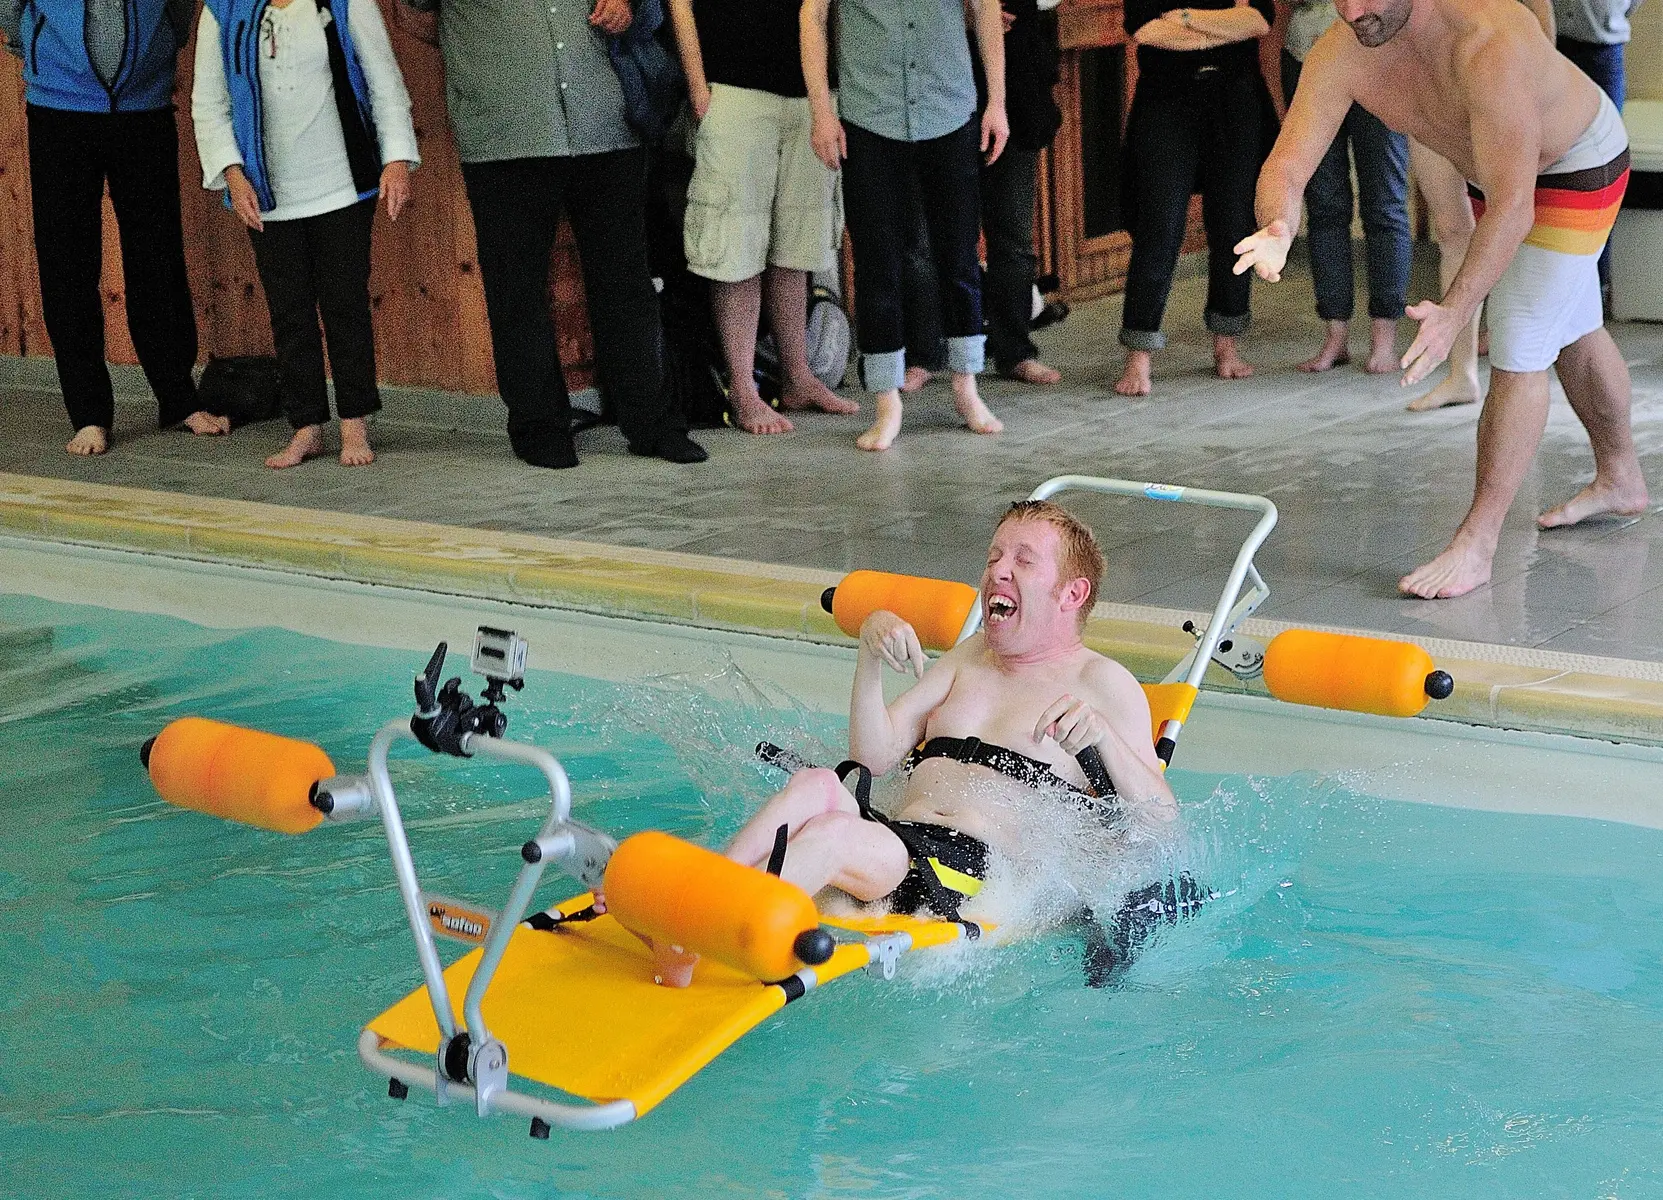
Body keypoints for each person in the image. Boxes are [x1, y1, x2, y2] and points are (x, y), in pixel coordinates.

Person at [647, 499, 1178, 986]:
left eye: (1023, 560)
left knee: (833, 836)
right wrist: (870, 657)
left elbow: (1160, 823)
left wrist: (1104, 740)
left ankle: (700, 938)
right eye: (994, 555)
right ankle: (698, 898)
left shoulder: (1103, 684)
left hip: (966, 873)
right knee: (815, 784)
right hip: (905, 842)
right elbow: (873, 757)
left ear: (1072, 593)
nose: (998, 569)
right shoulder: (969, 659)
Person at [1237, 0, 1649, 599]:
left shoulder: (1488, 43)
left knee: (1521, 340)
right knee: (1572, 327)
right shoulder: (1345, 44)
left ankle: (1478, 544)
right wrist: (1277, 224)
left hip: (1576, 162)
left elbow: (1513, 210)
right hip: (1499, 170)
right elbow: (1288, 166)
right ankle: (1622, 477)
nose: (1352, 12)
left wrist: (1455, 312)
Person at [394, 0, 706, 468]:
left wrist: (627, 6)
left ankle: (654, 424)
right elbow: (413, 14)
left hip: (605, 120)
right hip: (504, 131)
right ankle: (539, 427)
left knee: (627, 283)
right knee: (516, 289)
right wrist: (490, 54)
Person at [192, 0, 420, 469]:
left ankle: (355, 422)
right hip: (269, 194)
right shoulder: (224, 11)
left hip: (341, 186)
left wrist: (396, 158)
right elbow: (208, 105)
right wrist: (232, 173)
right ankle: (306, 426)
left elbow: (385, 82)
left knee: (345, 306)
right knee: (290, 311)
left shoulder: (346, 3)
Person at [0, 0, 229, 456]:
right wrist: (48, 52)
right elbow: (9, 8)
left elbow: (180, 9)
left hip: (145, 106)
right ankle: (88, 414)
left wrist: (157, 50)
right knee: (67, 264)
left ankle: (178, 399)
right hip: (58, 109)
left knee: (158, 256)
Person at [802, 0, 1010, 451]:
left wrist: (998, 101)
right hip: (868, 114)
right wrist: (821, 109)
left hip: (950, 106)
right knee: (878, 264)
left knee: (958, 258)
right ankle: (885, 399)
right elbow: (812, 16)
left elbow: (987, 9)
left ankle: (966, 385)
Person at [665, 0, 860, 435]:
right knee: (735, 249)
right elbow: (680, 4)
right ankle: (742, 389)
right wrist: (698, 88)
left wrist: (826, 100)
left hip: (811, 95)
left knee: (796, 246)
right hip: (733, 91)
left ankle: (798, 377)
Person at [1114, 0, 1277, 397]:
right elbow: (1146, 30)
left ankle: (1227, 342)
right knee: (1159, 226)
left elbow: (1256, 21)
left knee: (1233, 222)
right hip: (1165, 101)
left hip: (1236, 99)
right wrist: (1222, 27)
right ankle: (1139, 353)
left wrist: (1185, 19)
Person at [1406, 0, 1554, 413]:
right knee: (1453, 231)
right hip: (1430, 96)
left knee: (1517, 225)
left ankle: (1530, 362)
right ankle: (1462, 374)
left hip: (1494, 95)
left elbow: (1543, 31)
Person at [1274, 0, 1410, 376]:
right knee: (1325, 205)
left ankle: (1384, 338)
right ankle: (1335, 335)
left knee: (1384, 204)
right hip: (1306, 58)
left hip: (1379, 62)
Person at [1554, 0, 1639, 304]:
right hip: (1551, 46)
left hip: (1603, 52)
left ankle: (1595, 292)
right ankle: (1554, 295)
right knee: (1549, 176)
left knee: (1602, 175)